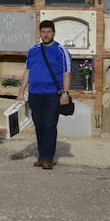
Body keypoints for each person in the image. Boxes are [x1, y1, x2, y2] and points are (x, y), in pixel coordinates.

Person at [22, 19, 71, 170]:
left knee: (50, 125)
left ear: (54, 33)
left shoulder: (61, 51)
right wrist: (20, 92)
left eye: (49, 32)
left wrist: (65, 93)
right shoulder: (33, 50)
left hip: (52, 94)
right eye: (43, 32)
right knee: (39, 125)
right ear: (40, 33)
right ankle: (41, 156)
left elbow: (66, 73)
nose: (46, 34)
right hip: (35, 94)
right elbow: (27, 72)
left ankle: (48, 158)